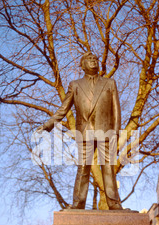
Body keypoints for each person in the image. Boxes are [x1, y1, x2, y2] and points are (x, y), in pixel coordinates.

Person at [36, 52, 123, 210]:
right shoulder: (75, 85)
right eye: (89, 60)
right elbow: (63, 109)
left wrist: (116, 132)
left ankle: (114, 203)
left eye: (95, 59)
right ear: (82, 65)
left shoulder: (110, 83)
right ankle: (78, 203)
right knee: (83, 168)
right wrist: (49, 125)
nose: (93, 61)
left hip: (105, 131)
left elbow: (116, 110)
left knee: (108, 168)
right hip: (84, 133)